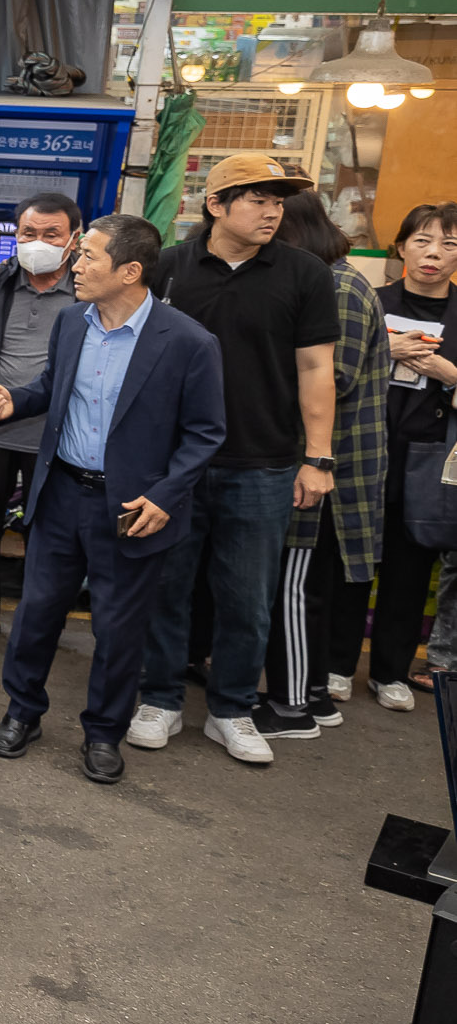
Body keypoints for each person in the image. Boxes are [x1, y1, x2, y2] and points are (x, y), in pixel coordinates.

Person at [0, 216, 227, 785]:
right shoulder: (72, 322)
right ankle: (22, 713)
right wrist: (13, 401)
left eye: (88, 256)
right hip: (62, 491)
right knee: (37, 615)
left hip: (131, 509)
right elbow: (53, 387)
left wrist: (165, 495)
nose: (75, 264)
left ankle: (102, 733)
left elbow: (206, 433)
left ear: (130, 271)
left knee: (118, 629)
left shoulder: (188, 341)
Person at [133, 154, 339, 766]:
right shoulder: (169, 267)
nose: (273, 210)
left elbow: (316, 367)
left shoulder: (305, 274)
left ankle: (231, 708)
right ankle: (160, 698)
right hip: (174, 464)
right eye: (257, 198)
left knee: (247, 597)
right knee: (166, 586)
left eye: (278, 200)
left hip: (266, 462)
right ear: (216, 205)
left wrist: (317, 457)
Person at [256, 189, 388, 739]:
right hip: (313, 460)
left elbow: (335, 378)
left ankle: (297, 704)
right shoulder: (327, 280)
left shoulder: (338, 286)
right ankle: (310, 695)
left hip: (330, 464)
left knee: (296, 583)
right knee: (301, 585)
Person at [0, 194, 84, 640]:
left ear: (74, 238)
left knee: (46, 535)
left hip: (55, 435)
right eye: (29, 233)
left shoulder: (86, 290)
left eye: (51, 234)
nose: (38, 242)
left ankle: (38, 621)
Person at [364, 203, 457, 710]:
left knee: (410, 565)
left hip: (430, 457)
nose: (434, 254)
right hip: (366, 447)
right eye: (422, 240)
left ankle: (390, 672)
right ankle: (335, 664)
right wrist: (386, 352)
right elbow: (331, 371)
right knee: (351, 559)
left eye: (448, 245)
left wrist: (449, 373)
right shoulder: (370, 302)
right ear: (401, 246)